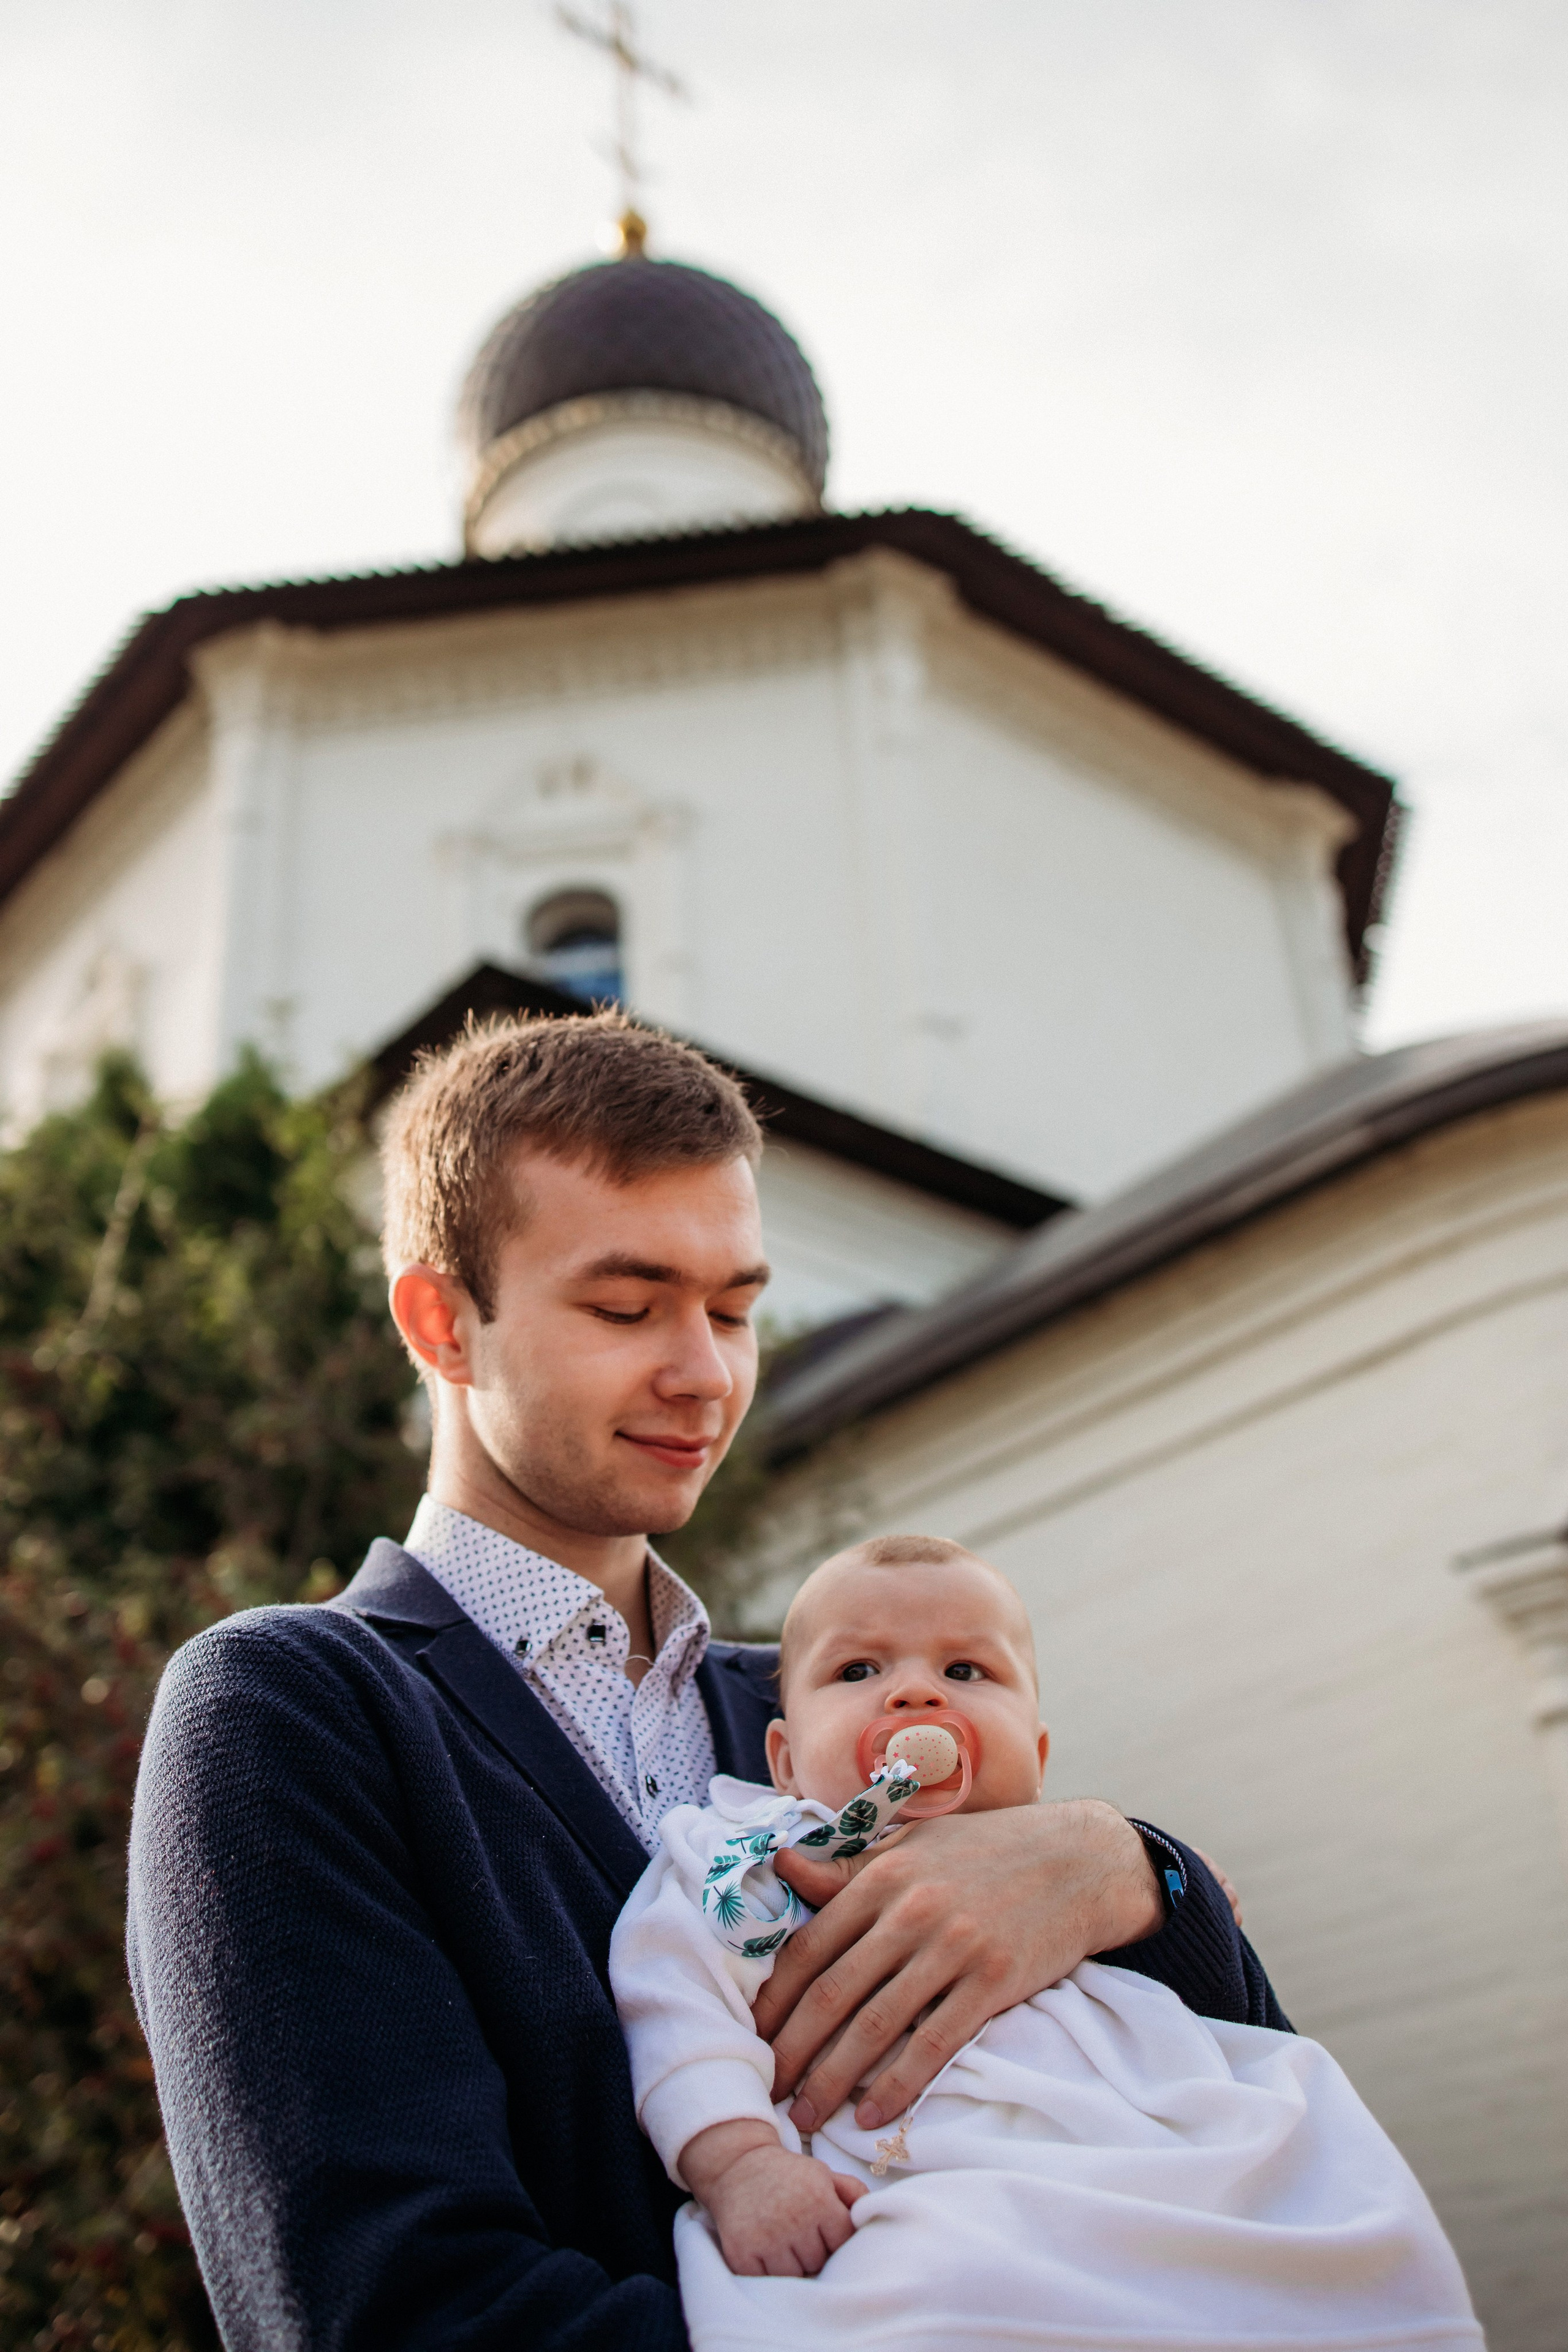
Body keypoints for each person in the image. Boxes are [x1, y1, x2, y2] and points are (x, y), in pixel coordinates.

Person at [128, 1013, 1289, 2352]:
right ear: (442, 1322)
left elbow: (1228, 2089)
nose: (706, 1376)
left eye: (735, 1308)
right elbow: (383, 2308)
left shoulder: (826, 1713)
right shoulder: (287, 1711)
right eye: (626, 1308)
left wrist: (1137, 1874)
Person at [611, 1534, 1482, 2351]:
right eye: (858, 1669)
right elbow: (678, 2004)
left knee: (1298, 2175)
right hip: (913, 2194)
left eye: (965, 1668)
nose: (916, 1694)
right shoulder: (751, 1859)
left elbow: (1196, 1970)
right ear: (788, 1759)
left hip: (1129, 2179)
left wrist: (1156, 1878)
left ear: (1035, 1754)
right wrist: (741, 2164)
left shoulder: (1074, 1874)